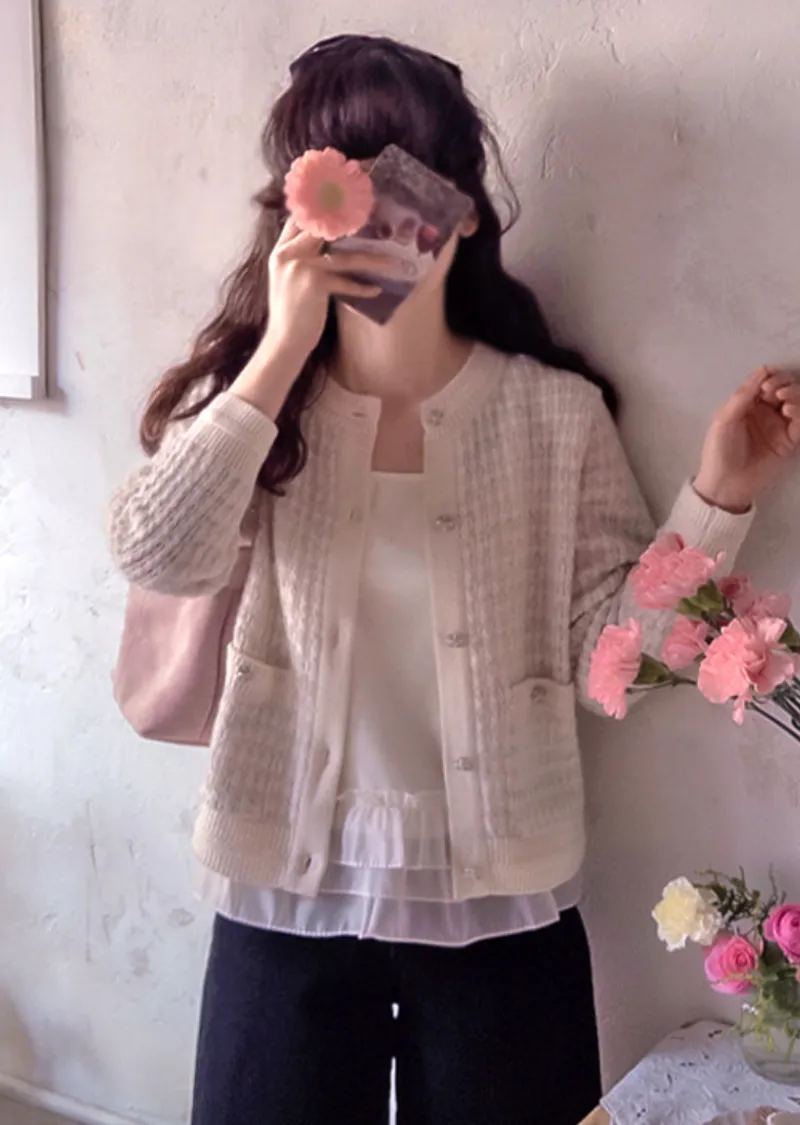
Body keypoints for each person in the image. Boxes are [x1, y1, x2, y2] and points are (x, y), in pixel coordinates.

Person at [108, 33, 800, 1125]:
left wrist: (718, 493)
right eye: (338, 180)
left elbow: (607, 664)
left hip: (503, 906)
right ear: (297, 209)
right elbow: (155, 552)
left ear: (465, 210)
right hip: (283, 896)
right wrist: (279, 351)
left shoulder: (550, 415)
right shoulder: (260, 408)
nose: (378, 213)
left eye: (409, 174)